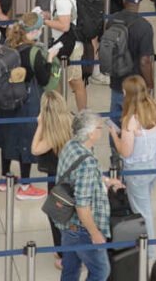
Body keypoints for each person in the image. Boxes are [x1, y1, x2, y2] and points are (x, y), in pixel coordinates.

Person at [56, 110, 124, 281]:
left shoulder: (71, 146)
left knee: (70, 270)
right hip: (82, 229)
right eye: (100, 128)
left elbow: (77, 177)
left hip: (66, 222)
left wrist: (106, 181)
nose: (101, 131)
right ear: (91, 132)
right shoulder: (87, 161)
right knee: (101, 270)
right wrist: (94, 233)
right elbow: (82, 205)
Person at [0, 13, 50, 200]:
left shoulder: (7, 45)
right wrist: (49, 60)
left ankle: (5, 178)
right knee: (27, 139)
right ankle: (25, 186)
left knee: (8, 137)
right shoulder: (34, 52)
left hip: (6, 99)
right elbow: (44, 79)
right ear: (34, 31)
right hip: (27, 100)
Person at [107, 75, 156, 244]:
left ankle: (147, 249)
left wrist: (114, 134)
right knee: (145, 200)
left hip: (138, 170)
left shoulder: (130, 121)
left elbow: (125, 152)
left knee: (142, 211)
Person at [32, 90, 74, 271]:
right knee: (68, 215)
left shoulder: (51, 134)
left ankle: (65, 254)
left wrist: (40, 125)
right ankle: (64, 250)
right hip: (70, 177)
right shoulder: (71, 122)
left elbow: (35, 149)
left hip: (57, 181)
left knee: (57, 216)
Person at [103, 0, 155, 123]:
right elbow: (145, 61)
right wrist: (150, 85)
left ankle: (115, 145)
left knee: (115, 123)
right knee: (135, 125)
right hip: (135, 86)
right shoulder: (145, 26)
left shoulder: (112, 20)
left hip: (117, 81)